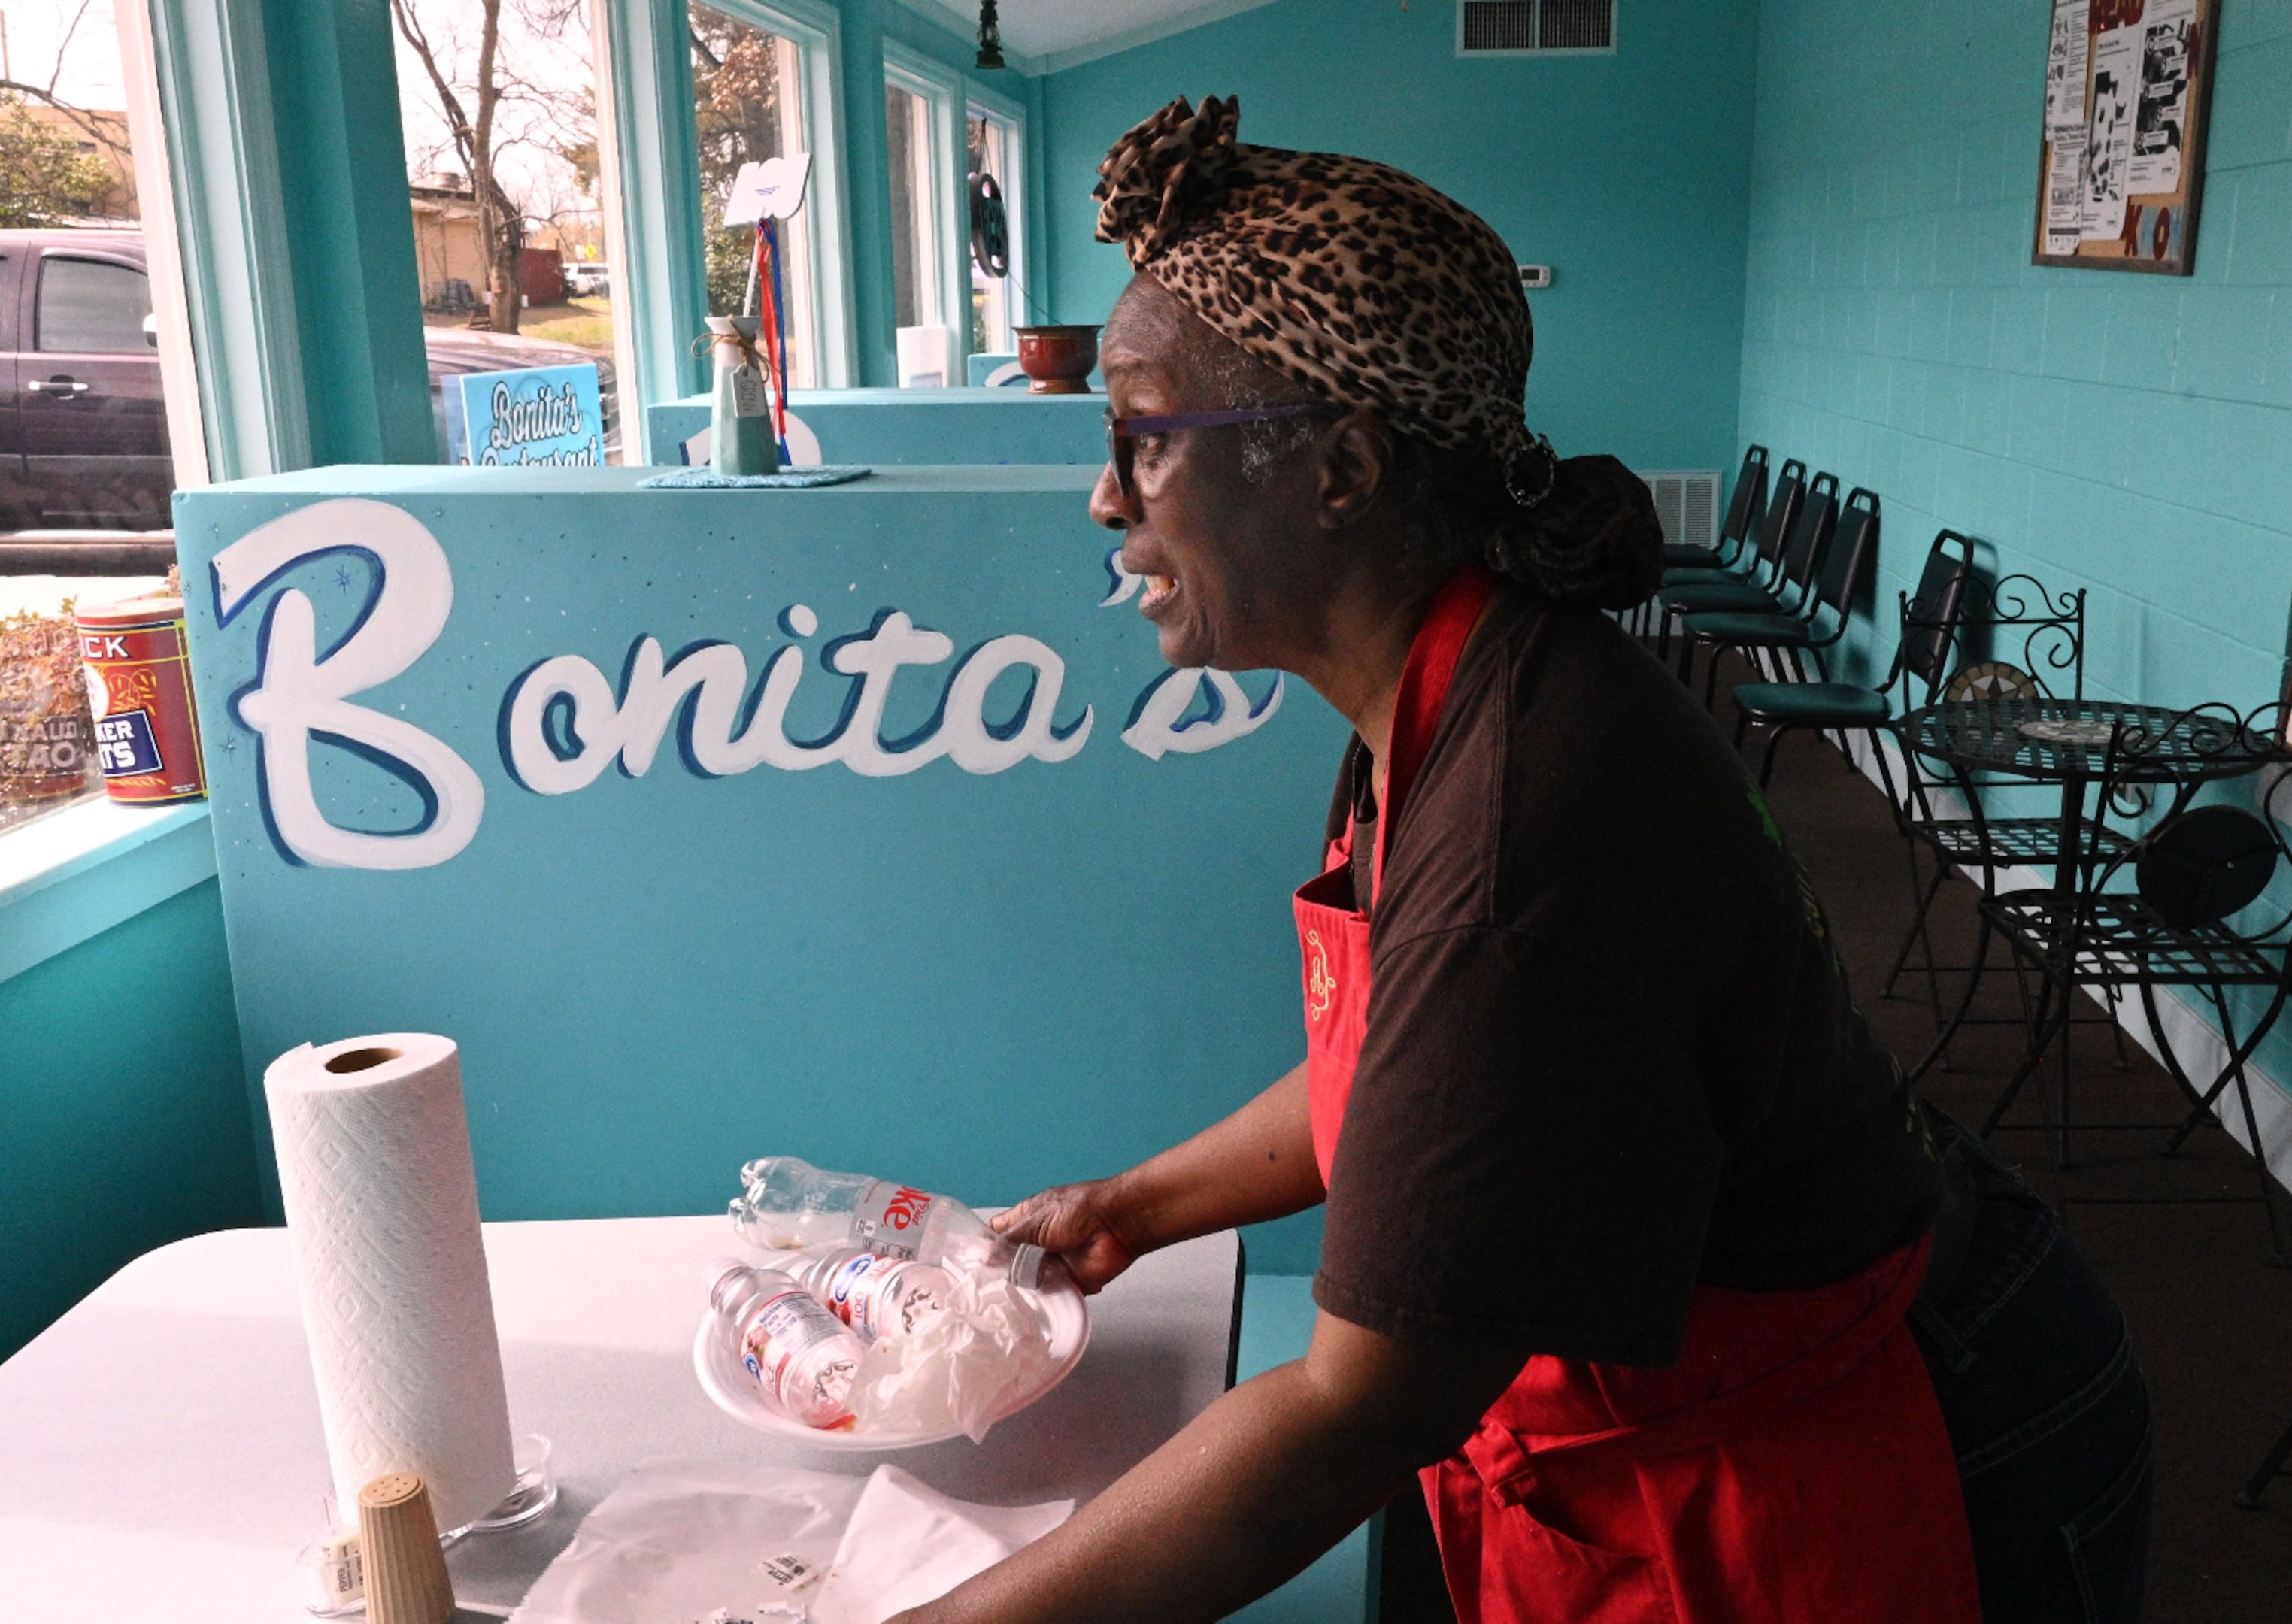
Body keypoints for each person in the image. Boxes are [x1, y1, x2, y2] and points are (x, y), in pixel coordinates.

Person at [900, 96, 2153, 1624]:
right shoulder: (1439, 701)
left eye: (1146, 440)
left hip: (1878, 1453)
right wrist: (1135, 1207)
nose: (1107, 497)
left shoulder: (1527, 812)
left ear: (1341, 470)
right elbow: (1419, 1077)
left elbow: (1359, 1408)